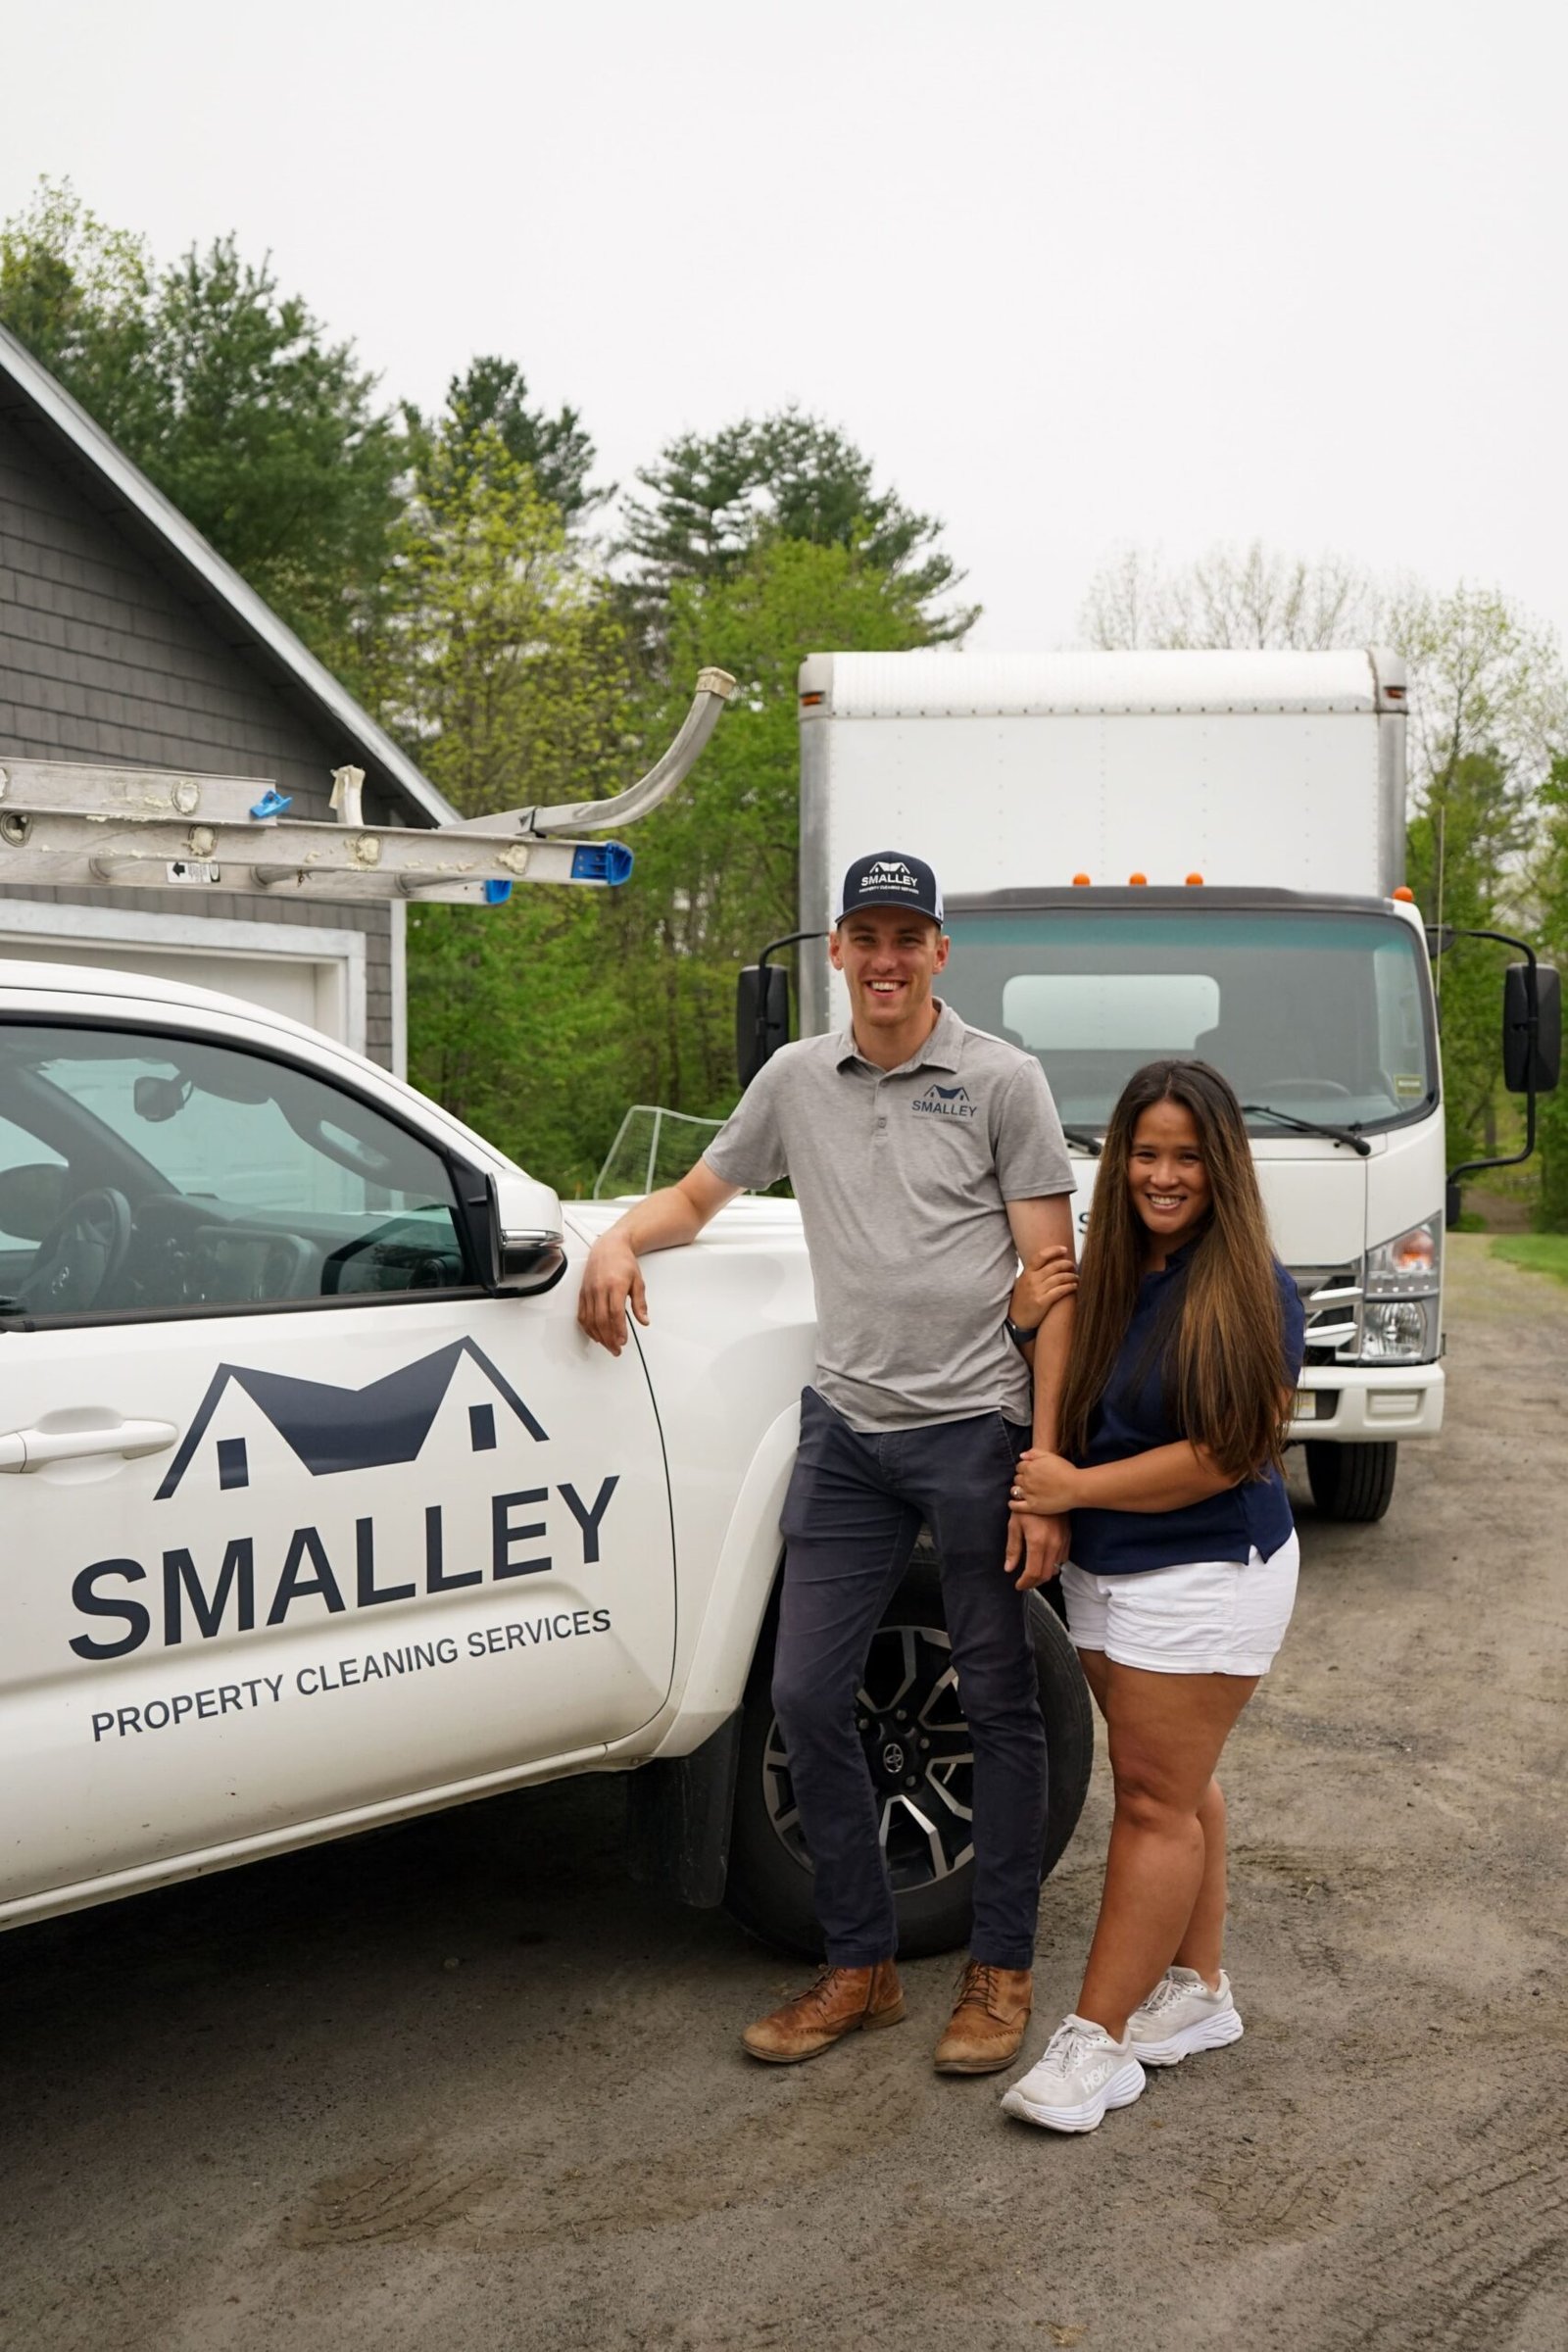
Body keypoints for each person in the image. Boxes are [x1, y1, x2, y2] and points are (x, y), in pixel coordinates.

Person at [578, 851, 1078, 2073]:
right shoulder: (796, 1079)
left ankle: (998, 1975)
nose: (888, 959)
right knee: (803, 1698)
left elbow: (1052, 1285)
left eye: (910, 937)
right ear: (839, 949)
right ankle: (859, 1970)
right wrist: (613, 1237)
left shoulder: (1004, 1081)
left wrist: (1048, 1466)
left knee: (1002, 1704)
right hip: (847, 1435)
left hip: (974, 1435)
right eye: (867, 936)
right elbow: (698, 1199)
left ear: (940, 953)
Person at [997, 1057, 1305, 2134]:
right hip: (1106, 1570)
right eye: (1144, 1152)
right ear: (1118, 1158)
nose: (1162, 1175)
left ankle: (1097, 2041)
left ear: (1220, 1166)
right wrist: (1024, 1317)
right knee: (1175, 1781)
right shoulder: (1107, 1276)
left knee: (1150, 1801)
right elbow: (1073, 1394)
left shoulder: (1254, 1288)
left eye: (1184, 1156)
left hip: (1209, 1568)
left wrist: (1073, 1487)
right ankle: (1201, 1993)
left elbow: (1228, 1452)